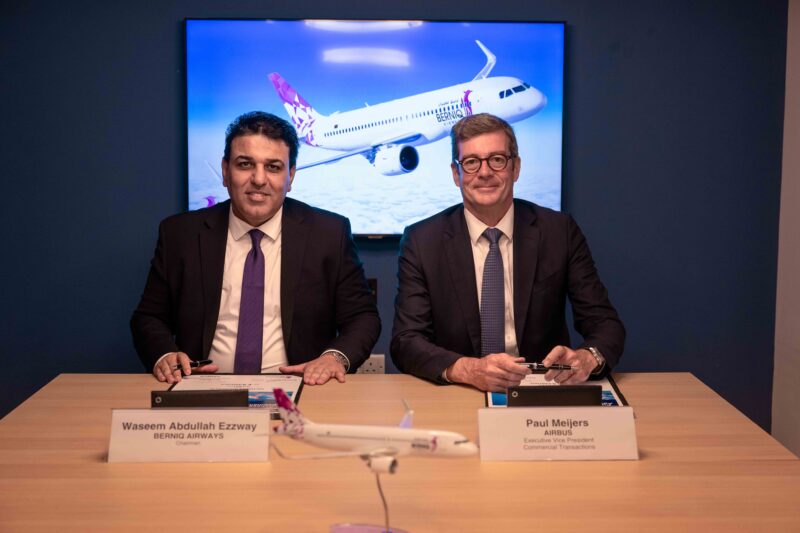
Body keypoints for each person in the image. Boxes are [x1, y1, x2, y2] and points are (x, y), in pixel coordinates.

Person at [131, 111, 380, 385]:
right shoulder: (180, 234)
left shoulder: (329, 234)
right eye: (245, 164)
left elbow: (362, 318)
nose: (259, 179)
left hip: (303, 390)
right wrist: (164, 354)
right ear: (226, 171)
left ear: (291, 176)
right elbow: (149, 317)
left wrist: (334, 357)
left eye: (273, 167)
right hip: (199, 391)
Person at [390, 113, 624, 392]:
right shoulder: (421, 241)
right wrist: (468, 369)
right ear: (456, 174)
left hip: (540, 392)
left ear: (515, 168)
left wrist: (587, 358)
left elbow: (605, 324)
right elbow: (406, 341)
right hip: (460, 391)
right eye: (472, 162)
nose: (485, 172)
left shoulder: (558, 231)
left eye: (497, 160)